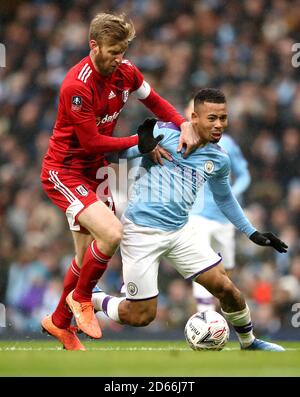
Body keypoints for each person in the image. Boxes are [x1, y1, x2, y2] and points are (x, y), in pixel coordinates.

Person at [40, 13, 199, 351]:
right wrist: (136, 142)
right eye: (113, 51)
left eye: (123, 51)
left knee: (85, 260)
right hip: (65, 170)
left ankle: (58, 322)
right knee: (112, 233)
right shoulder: (76, 86)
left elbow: (153, 100)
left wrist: (182, 123)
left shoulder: (125, 72)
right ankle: (83, 299)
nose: (119, 58)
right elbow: (92, 143)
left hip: (96, 171)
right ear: (93, 45)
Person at [92, 88, 288, 351]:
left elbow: (225, 198)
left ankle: (248, 342)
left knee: (227, 289)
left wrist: (252, 233)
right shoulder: (166, 134)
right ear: (194, 118)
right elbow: (109, 155)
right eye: (212, 118)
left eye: (223, 118)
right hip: (141, 232)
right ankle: (94, 297)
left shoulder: (219, 158)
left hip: (180, 231)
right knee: (139, 316)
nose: (219, 124)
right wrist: (142, 145)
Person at [184, 99, 251, 312]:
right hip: (197, 216)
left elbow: (244, 175)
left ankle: (226, 318)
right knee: (203, 265)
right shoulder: (182, 141)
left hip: (224, 218)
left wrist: (233, 193)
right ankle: (206, 317)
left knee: (226, 272)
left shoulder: (228, 144)